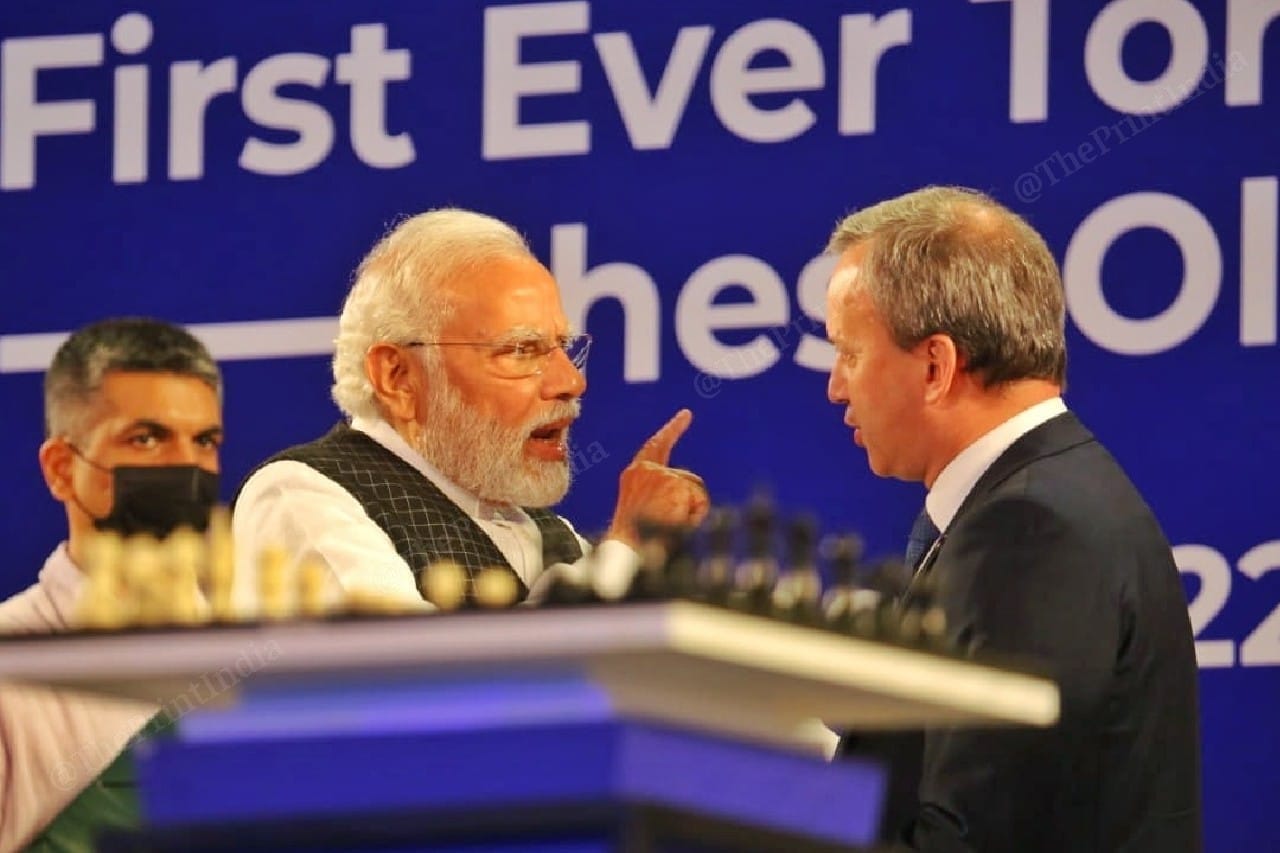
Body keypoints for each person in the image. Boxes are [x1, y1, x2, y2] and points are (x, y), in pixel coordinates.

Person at [823, 187, 1201, 852]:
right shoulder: (1039, 498)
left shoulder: (1031, 528)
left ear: (936, 366)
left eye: (848, 352)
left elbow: (976, 837)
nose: (835, 385)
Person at [232, 208, 708, 609]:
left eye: (564, 347)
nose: (571, 381)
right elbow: (421, 695)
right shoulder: (303, 496)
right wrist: (624, 547)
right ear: (398, 377)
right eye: (522, 350)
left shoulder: (552, 535)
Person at [0, 317, 224, 852]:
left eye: (204, 441)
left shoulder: (269, 647)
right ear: (60, 468)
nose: (185, 466)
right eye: (146, 439)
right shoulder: (11, 669)